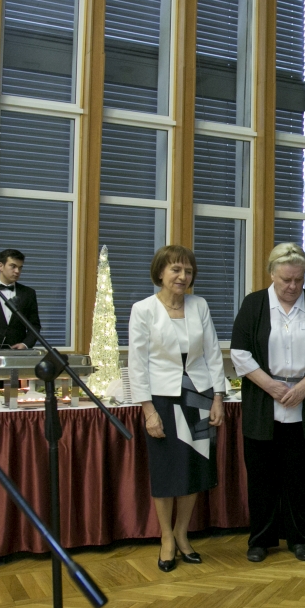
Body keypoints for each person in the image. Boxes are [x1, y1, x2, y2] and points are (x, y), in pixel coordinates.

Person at [230, 243, 305, 562]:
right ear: (272, 275)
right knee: (261, 476)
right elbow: (240, 352)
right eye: (286, 280)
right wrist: (270, 386)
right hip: (263, 402)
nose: (293, 286)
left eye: (298, 280)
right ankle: (260, 540)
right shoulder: (254, 304)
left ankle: (298, 538)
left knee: (299, 477)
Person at [128, 245, 226, 572]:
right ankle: (166, 538)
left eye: (188, 271)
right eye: (176, 270)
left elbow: (213, 353)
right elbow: (137, 363)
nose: (183, 276)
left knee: (193, 468)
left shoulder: (200, 305)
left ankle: (183, 533)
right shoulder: (143, 309)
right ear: (160, 272)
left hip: (198, 395)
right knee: (167, 470)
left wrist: (218, 397)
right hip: (161, 399)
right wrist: (148, 411)